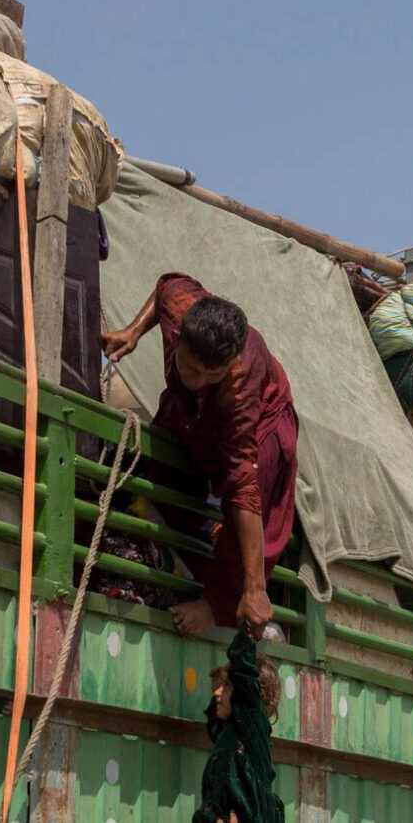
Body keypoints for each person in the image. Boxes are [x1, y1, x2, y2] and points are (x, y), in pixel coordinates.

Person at [101, 273, 298, 637]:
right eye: (191, 368)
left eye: (212, 375)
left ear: (229, 364)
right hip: (186, 409)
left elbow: (243, 486)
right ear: (177, 338)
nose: (200, 380)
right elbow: (165, 284)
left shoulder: (238, 390)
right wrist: (132, 331)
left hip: (263, 421)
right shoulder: (179, 303)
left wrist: (256, 589)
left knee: (253, 487)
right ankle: (190, 558)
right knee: (160, 466)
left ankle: (218, 605)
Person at [193, 624, 285, 823]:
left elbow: (244, 674)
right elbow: (215, 721)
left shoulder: (251, 727)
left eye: (226, 686)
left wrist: (250, 628)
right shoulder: (229, 736)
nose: (218, 692)